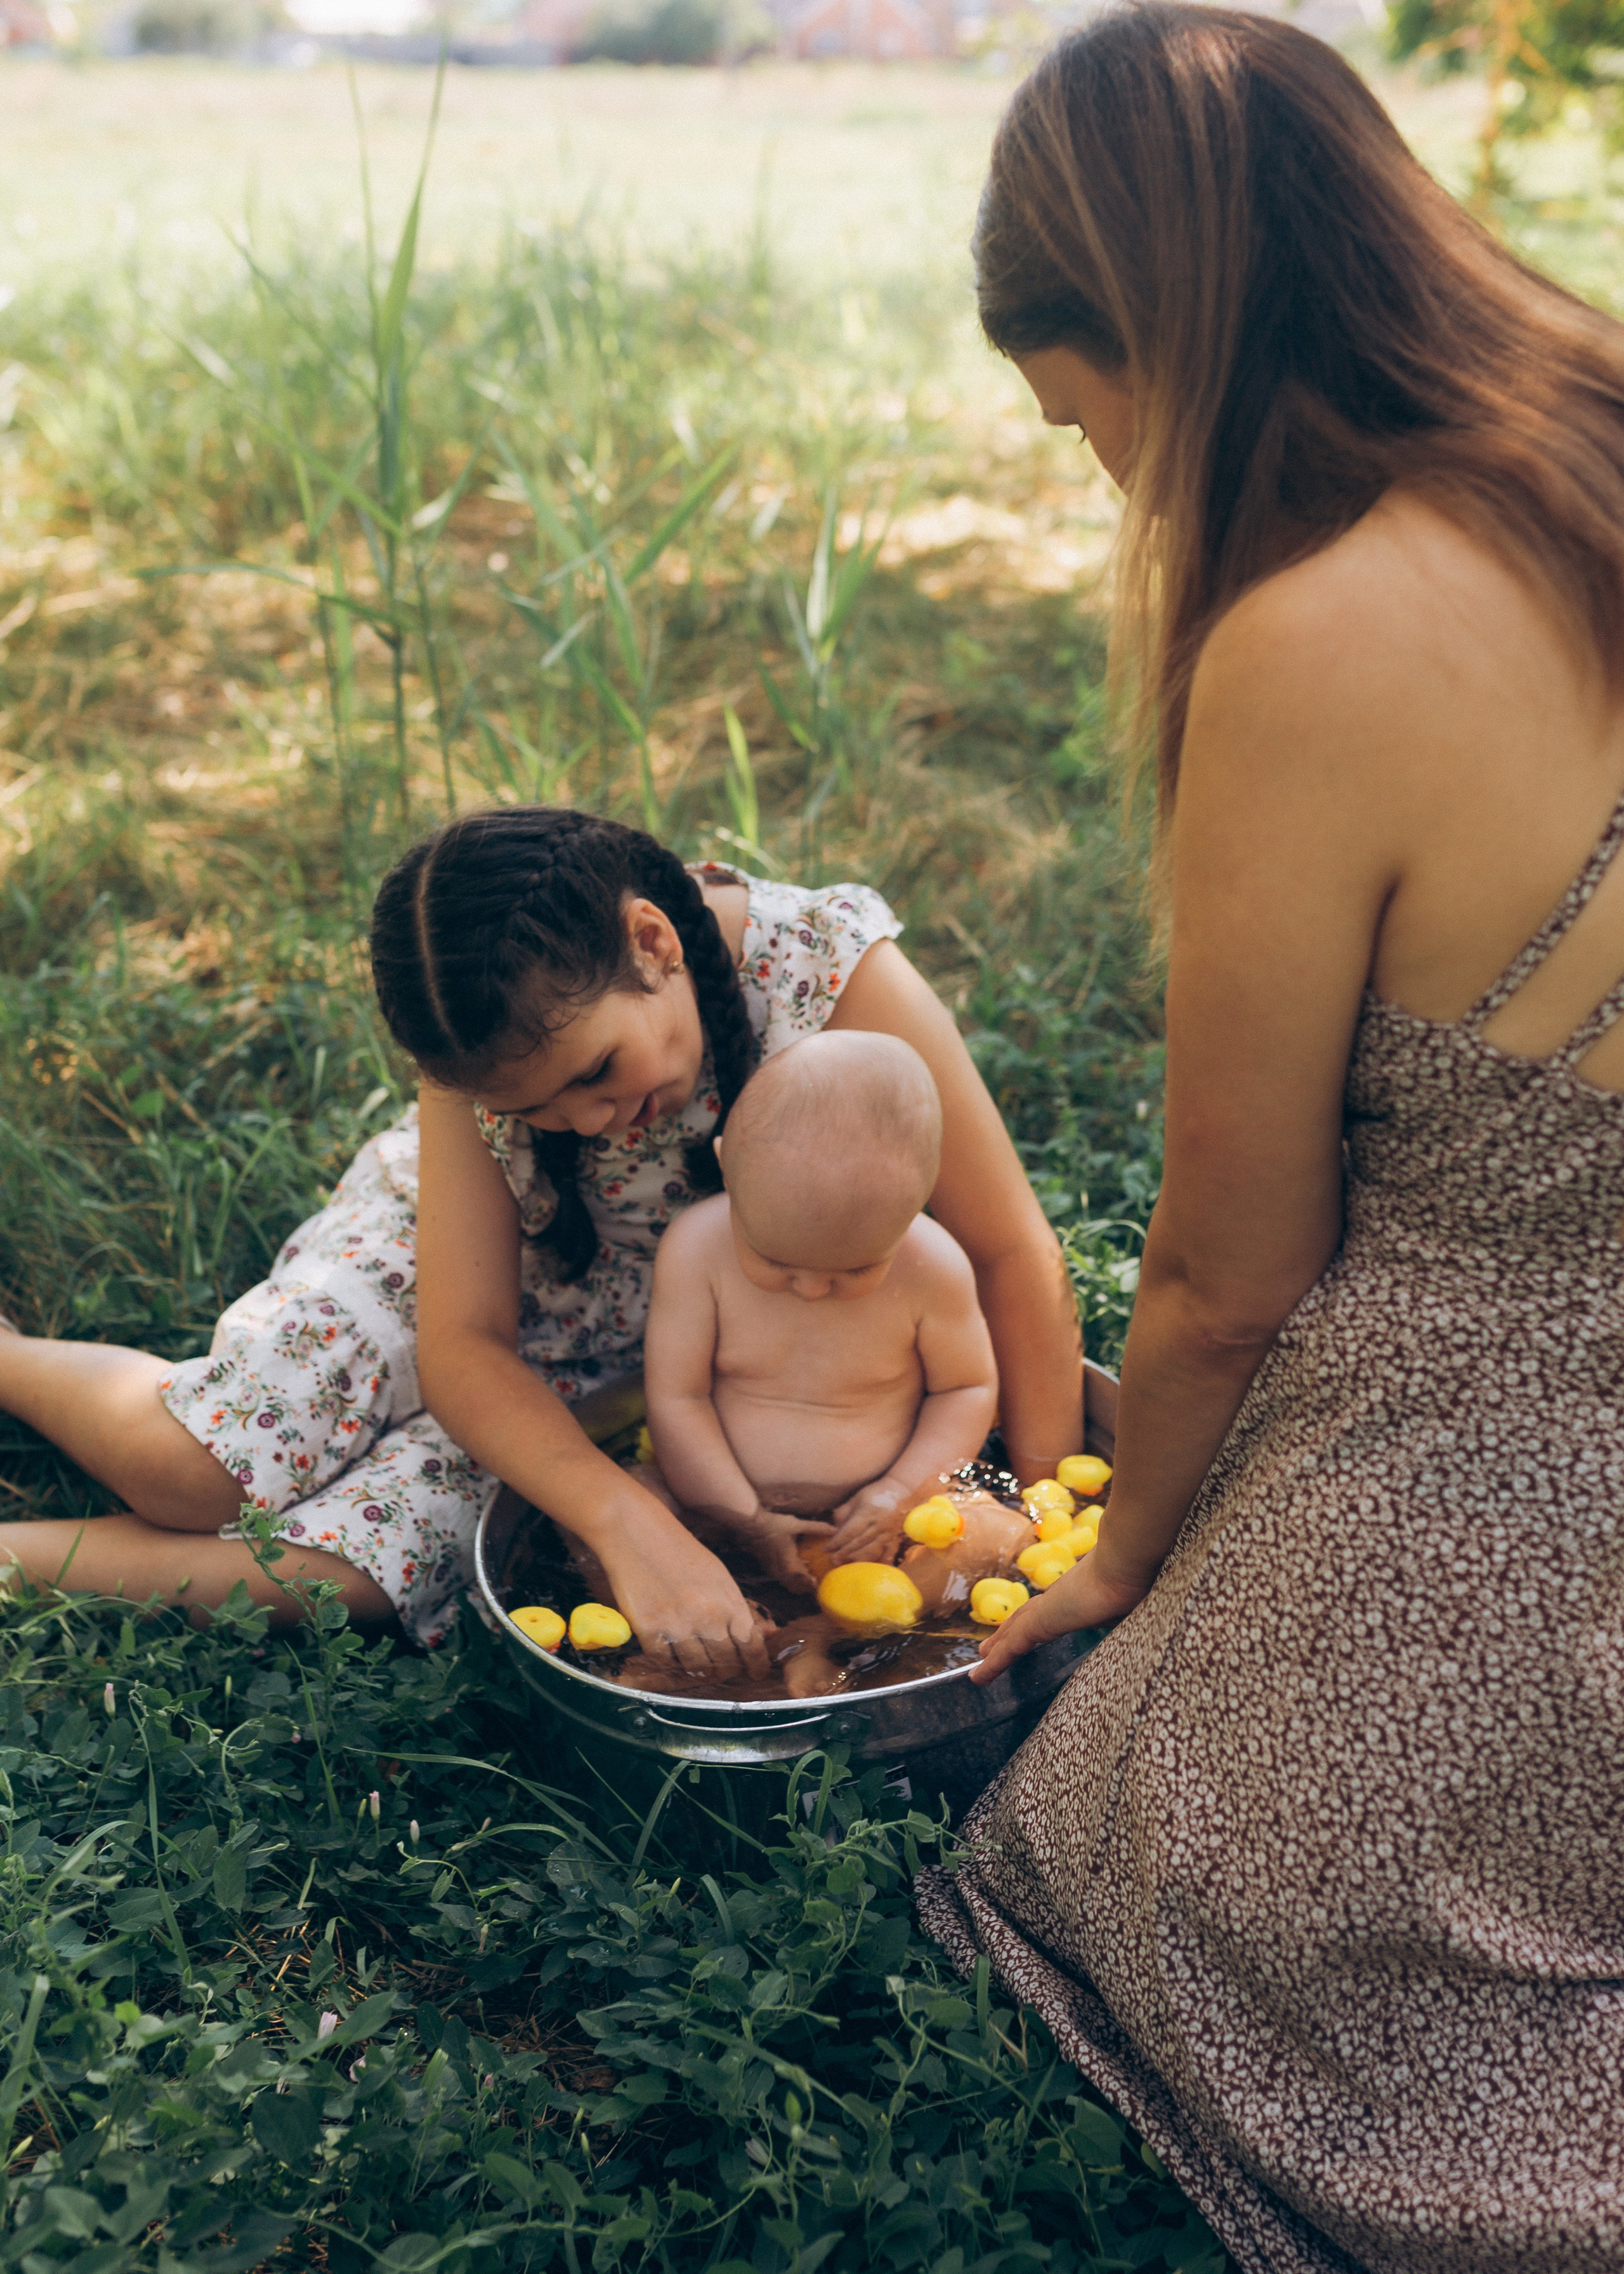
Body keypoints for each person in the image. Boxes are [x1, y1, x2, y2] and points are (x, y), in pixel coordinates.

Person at [916, 9, 1624, 2271]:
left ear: (1158, 332)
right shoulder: (1594, 428)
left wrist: (1121, 1565)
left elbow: (1227, 1271)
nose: (1109, 489)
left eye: (1082, 426)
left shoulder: (1324, 636)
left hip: (1504, 1446)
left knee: (1156, 1848)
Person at [0, 809, 1080, 1676]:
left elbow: (1008, 1251)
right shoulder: (485, 1061)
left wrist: (1046, 1516)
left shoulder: (830, 972)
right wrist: (625, 1521)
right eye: (539, 1109)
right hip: (430, 1262)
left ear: (653, 941)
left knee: (340, 1579)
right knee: (197, 1470)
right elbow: (463, 1341)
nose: (588, 1123)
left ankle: (17, 1557)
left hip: (615, 1351)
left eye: (594, 1074)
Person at [643, 1028, 999, 1586]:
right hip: (714, 1506)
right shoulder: (696, 1250)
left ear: (913, 1212)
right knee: (635, 1507)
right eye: (775, 1261)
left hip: (877, 1524)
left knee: (993, 1538)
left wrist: (900, 1495)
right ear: (727, 1172)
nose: (810, 1290)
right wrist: (743, 1518)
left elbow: (965, 1390)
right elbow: (677, 1398)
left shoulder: (931, 1267)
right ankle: (723, 1637)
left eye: (855, 1270)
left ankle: (816, 1645)